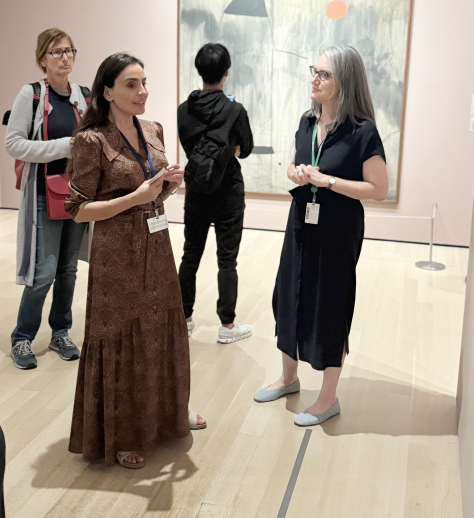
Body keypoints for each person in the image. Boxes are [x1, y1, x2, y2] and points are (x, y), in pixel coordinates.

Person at [66, 53, 205, 468]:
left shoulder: (153, 129)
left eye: (144, 82)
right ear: (107, 92)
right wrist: (136, 197)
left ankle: (170, 412)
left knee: (161, 325)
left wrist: (167, 186)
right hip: (116, 253)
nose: (142, 91)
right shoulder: (91, 140)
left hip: (157, 245)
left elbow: (151, 191)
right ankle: (124, 431)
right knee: (123, 334)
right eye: (131, 84)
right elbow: (78, 210)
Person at [254, 45, 389, 426]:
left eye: (324, 74)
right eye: (314, 71)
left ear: (345, 81)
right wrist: (297, 173)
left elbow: (378, 189)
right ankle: (288, 378)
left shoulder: (362, 131)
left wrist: (328, 181)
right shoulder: (307, 121)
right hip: (300, 221)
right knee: (289, 293)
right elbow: (294, 165)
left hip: (338, 228)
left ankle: (328, 398)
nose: (314, 79)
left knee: (330, 304)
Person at [5, 28, 89, 370]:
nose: (65, 57)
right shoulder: (32, 95)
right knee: (44, 272)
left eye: (69, 50)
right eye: (57, 52)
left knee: (68, 269)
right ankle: (22, 337)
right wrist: (64, 147)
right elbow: (14, 143)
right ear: (43, 59)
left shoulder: (83, 96)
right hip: (43, 194)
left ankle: (60, 332)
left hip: (77, 195)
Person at [178, 43, 254, 343]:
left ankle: (184, 319)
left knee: (190, 254)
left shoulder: (184, 110)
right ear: (226, 72)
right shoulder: (235, 110)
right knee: (227, 259)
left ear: (199, 71)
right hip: (229, 191)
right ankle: (227, 326)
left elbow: (190, 147)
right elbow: (246, 148)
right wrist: (231, 149)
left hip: (197, 189)